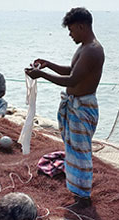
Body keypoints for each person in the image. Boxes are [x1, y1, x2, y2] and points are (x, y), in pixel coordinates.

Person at [25, 7, 104, 207]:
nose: (70, 34)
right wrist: (48, 64)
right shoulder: (84, 48)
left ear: (81, 26)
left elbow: (72, 78)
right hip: (74, 106)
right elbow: (72, 70)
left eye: (71, 30)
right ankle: (78, 192)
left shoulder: (93, 50)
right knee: (73, 149)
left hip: (83, 107)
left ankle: (84, 197)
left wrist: (41, 75)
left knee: (81, 152)